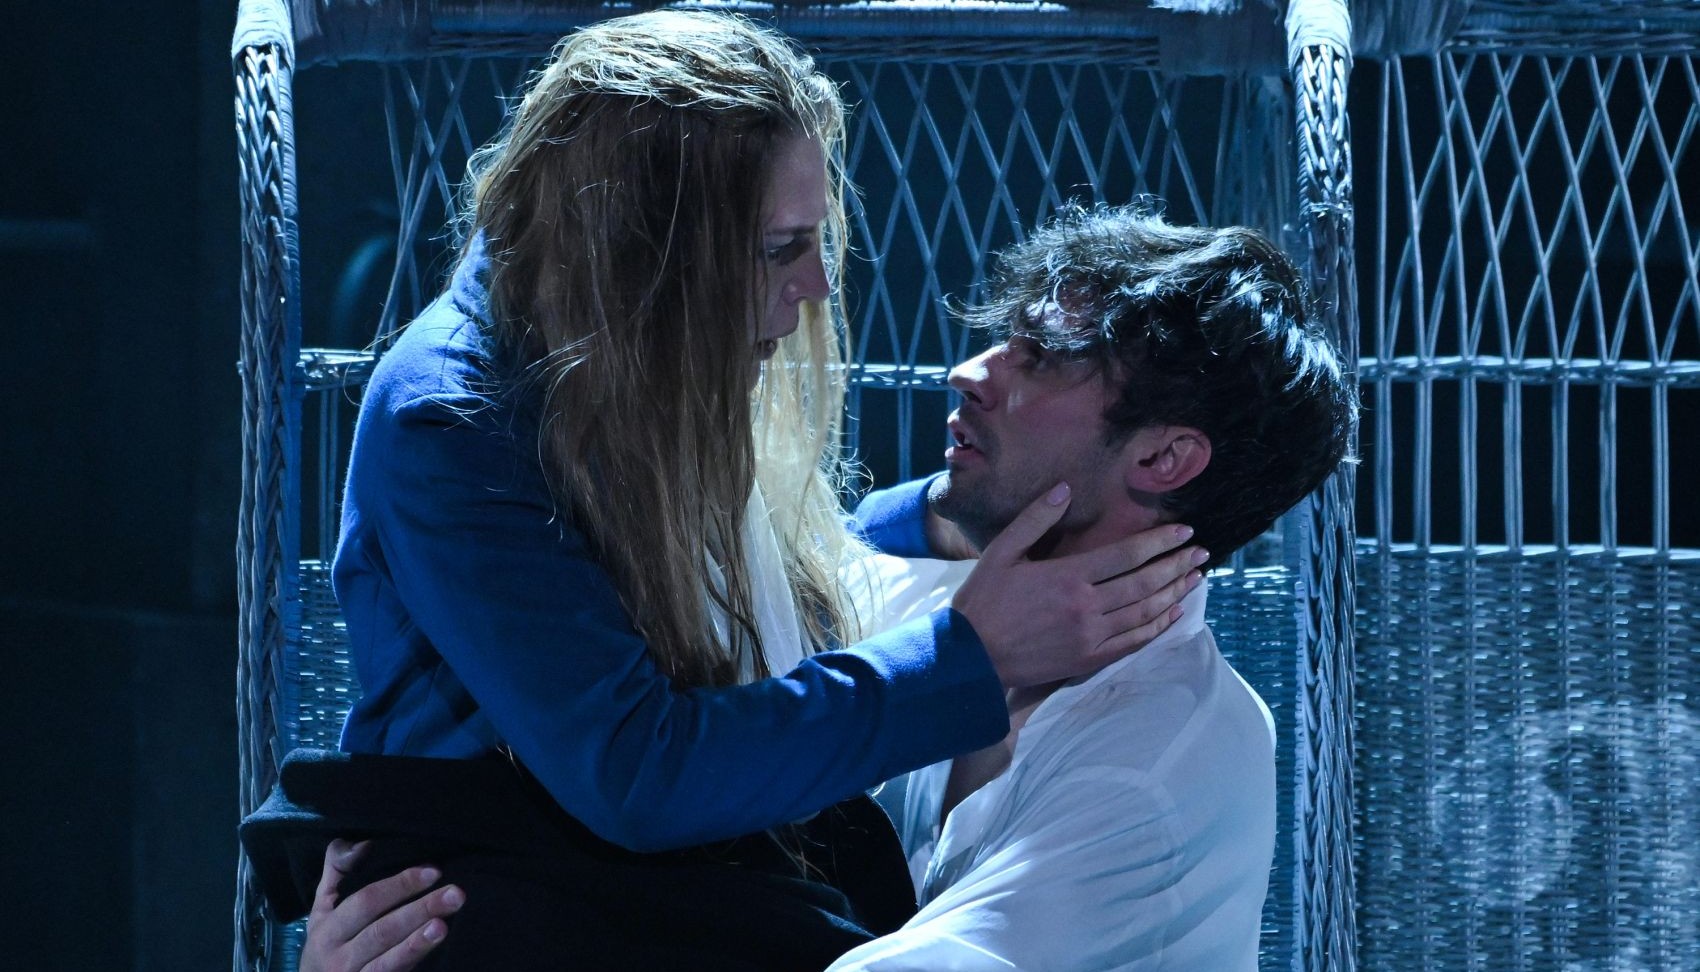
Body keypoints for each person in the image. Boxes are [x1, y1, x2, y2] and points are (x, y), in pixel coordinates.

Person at [241, 12, 1201, 971]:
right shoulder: (455, 417)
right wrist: (971, 656)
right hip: (517, 901)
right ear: (642, 245)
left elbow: (732, 562)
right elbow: (637, 768)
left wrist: (945, 519)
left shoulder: (613, 335)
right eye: (779, 247)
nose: (815, 284)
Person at [294, 206, 1355, 971]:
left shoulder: (1161, 768)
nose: (972, 370)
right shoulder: (924, 597)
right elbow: (820, 563)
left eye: (1041, 357)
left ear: (1163, 459)